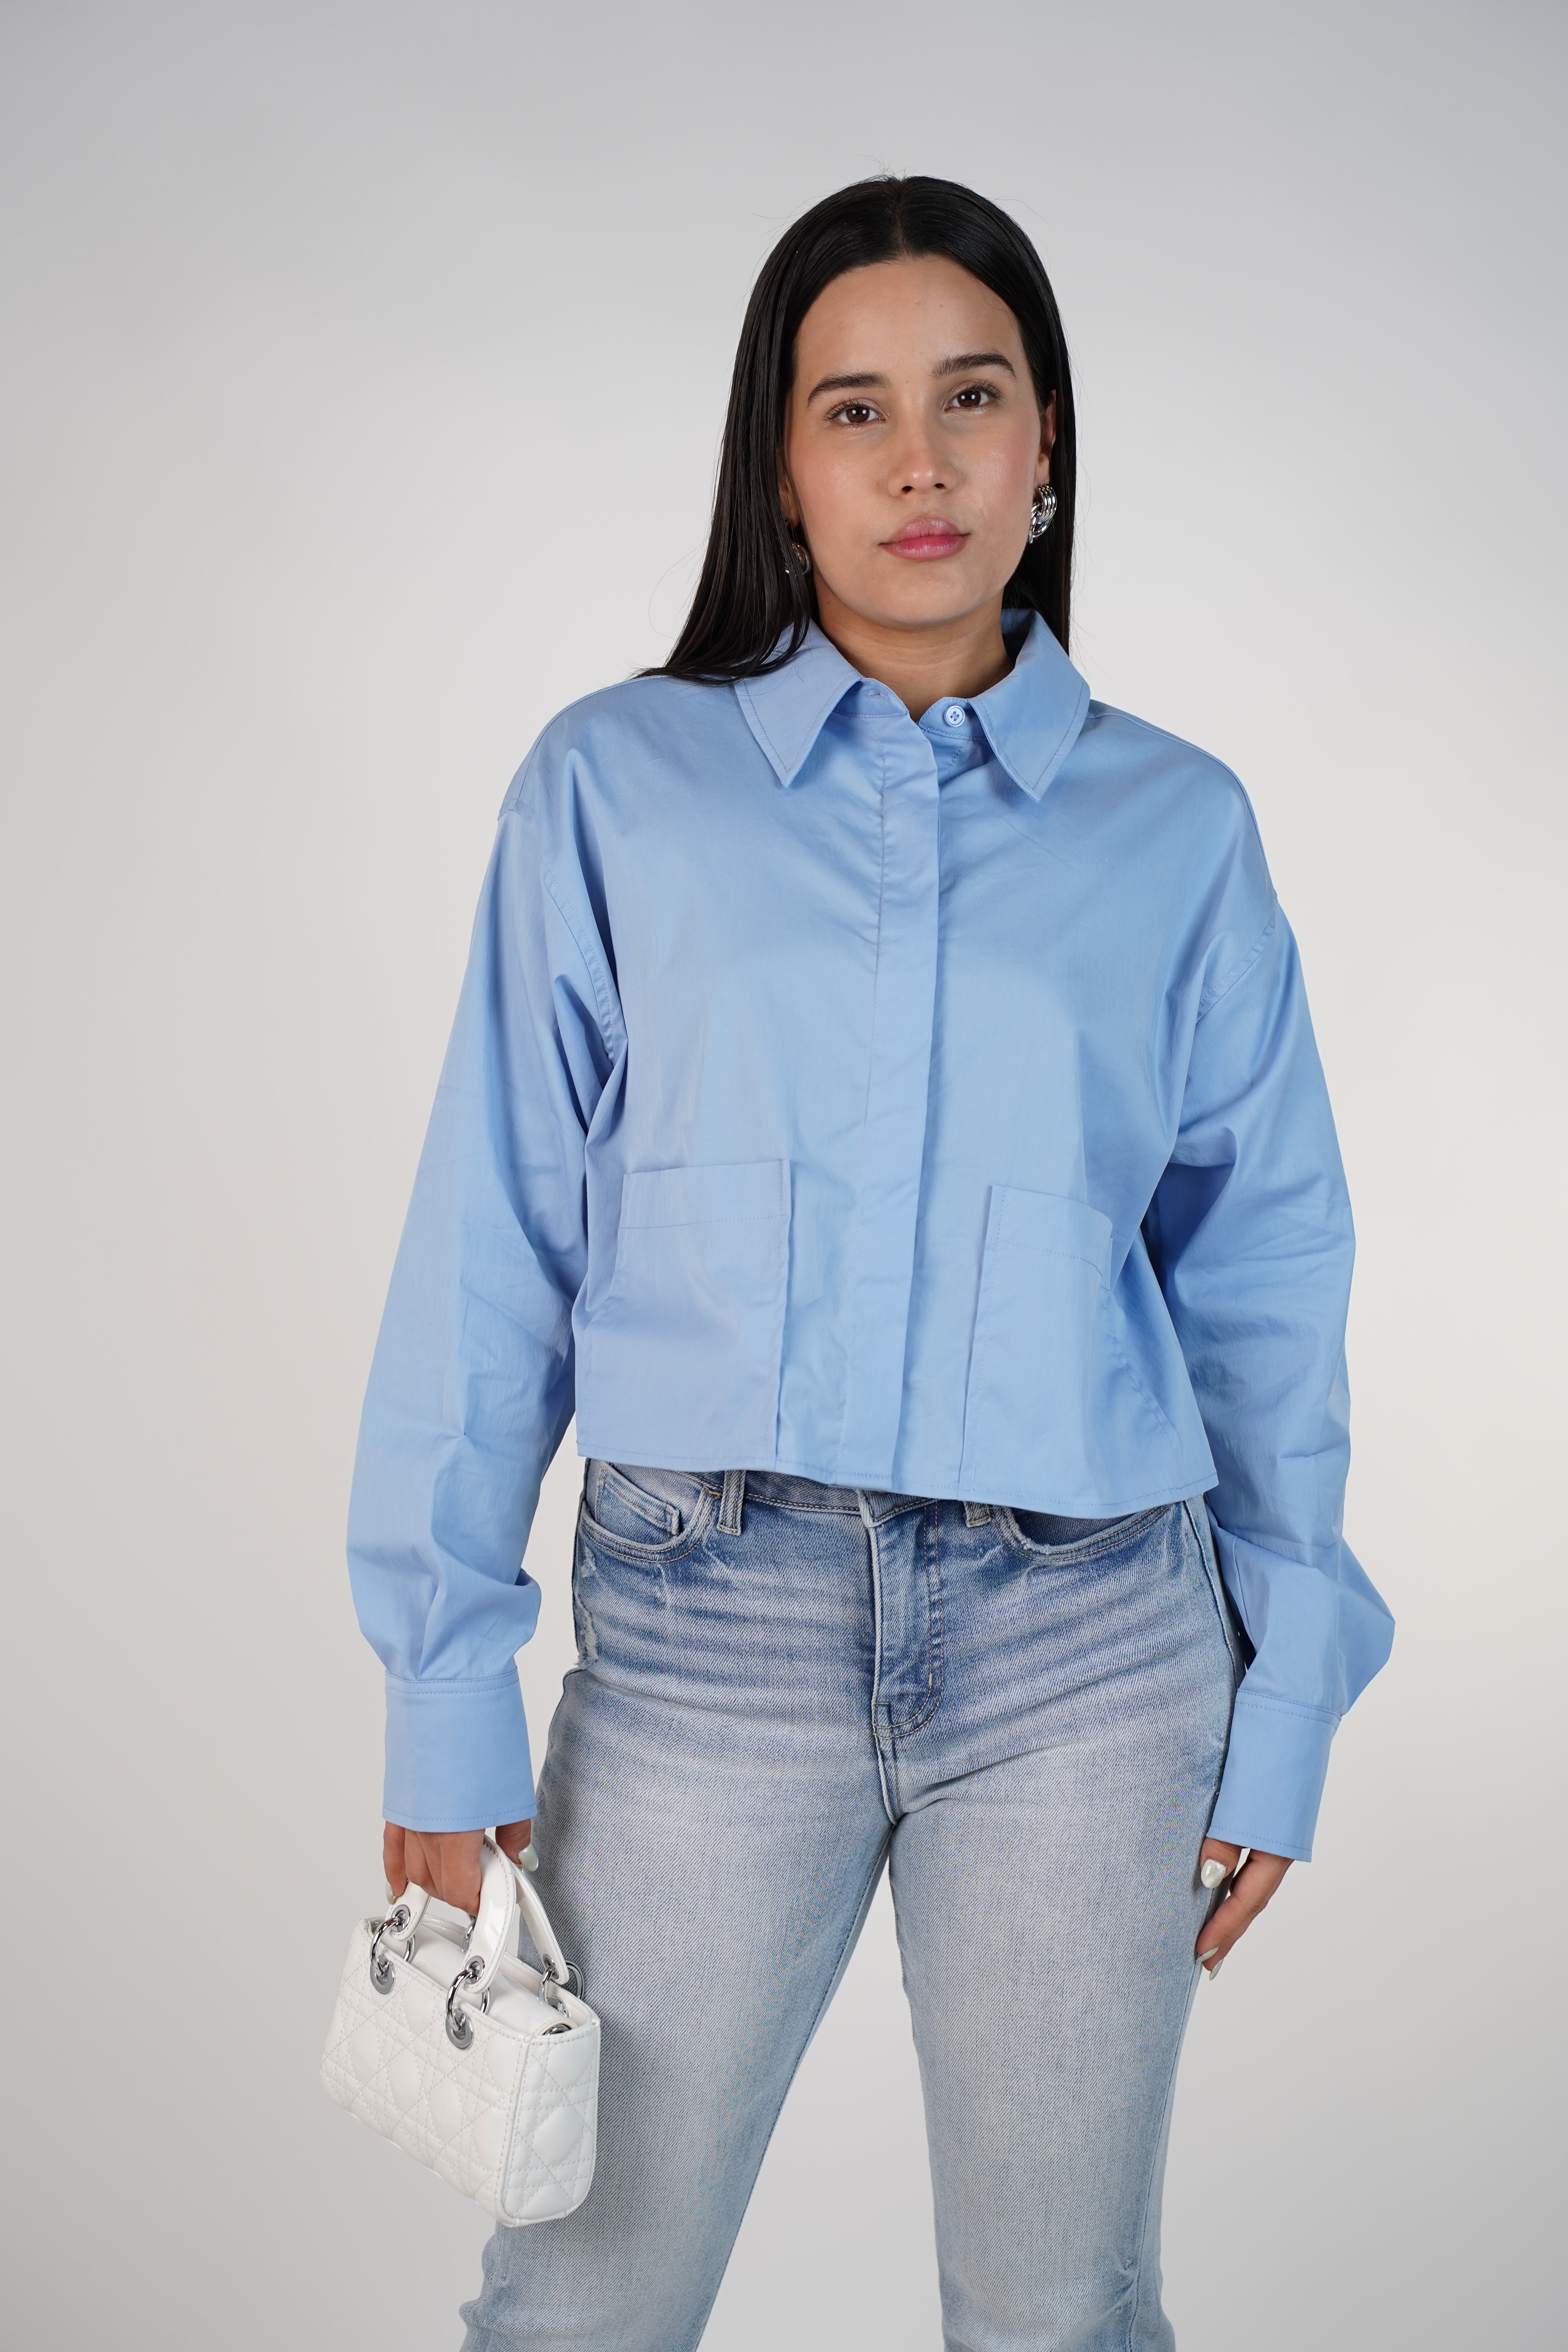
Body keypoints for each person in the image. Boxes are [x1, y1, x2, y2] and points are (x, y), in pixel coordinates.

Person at [344, 174, 1394, 2352]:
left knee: (1060, 2317)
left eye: (972, 398)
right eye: (855, 410)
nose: (921, 463)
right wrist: (444, 1687)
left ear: (1047, 446)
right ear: (781, 465)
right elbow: (492, 1240)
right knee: (581, 2309)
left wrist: (1288, 1693)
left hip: (1093, 1656)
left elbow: (1265, 1281)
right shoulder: (612, 788)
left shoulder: (1180, 830)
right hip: (706, 1634)